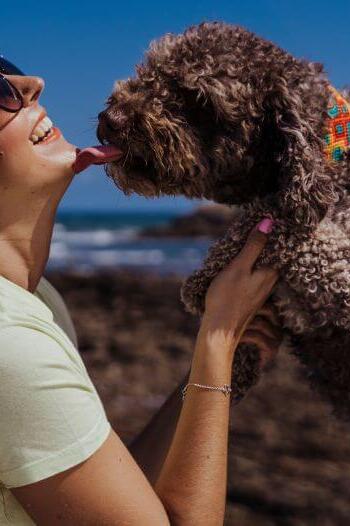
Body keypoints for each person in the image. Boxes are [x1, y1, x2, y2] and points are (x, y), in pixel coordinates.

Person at [0, 56, 282, 524]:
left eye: (9, 70)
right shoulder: (11, 342)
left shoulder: (40, 299)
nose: (31, 85)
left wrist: (229, 363)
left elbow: (126, 498)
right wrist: (219, 335)